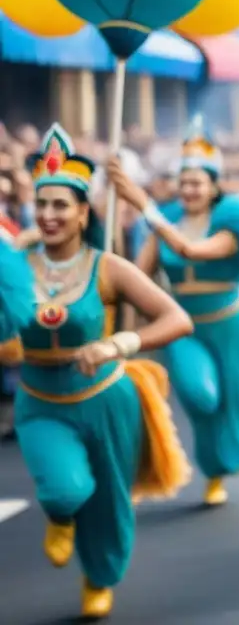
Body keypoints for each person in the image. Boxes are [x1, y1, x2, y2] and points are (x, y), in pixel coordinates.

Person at [1, 124, 192, 619]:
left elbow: (177, 319)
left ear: (84, 212)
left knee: (109, 503)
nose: (48, 215)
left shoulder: (108, 267)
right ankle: (60, 513)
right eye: (42, 205)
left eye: (61, 205)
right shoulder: (14, 263)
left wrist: (117, 342)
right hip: (41, 402)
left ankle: (98, 578)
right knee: (65, 489)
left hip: (106, 400)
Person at [105, 115, 239, 507]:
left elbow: (191, 250)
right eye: (183, 183)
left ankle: (221, 473)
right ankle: (210, 466)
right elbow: (137, 278)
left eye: (197, 182)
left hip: (231, 328)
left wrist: (145, 205)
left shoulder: (231, 221)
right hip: (184, 328)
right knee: (200, 397)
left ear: (213, 186)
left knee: (234, 406)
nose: (190, 189)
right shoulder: (162, 225)